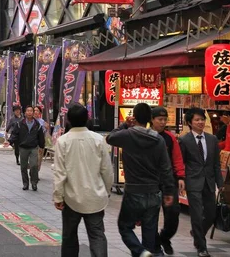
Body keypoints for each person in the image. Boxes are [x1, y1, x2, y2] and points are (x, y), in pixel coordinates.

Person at [106, 103, 175, 257]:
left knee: (124, 226)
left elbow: (110, 138)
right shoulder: (158, 140)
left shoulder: (127, 135)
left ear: (134, 117)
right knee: (150, 232)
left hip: (133, 191)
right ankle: (147, 251)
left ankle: (140, 251)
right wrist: (169, 191)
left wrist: (125, 124)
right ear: (150, 119)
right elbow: (166, 168)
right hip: (153, 192)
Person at [54, 103, 113, 257]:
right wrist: (106, 190)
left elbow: (60, 173)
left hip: (71, 197)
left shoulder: (63, 141)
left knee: (69, 236)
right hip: (95, 196)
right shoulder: (98, 140)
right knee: (97, 235)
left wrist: (58, 196)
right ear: (87, 118)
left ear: (68, 120)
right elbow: (107, 169)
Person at [179, 108, 224, 257]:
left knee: (211, 214)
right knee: (197, 214)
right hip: (193, 182)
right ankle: (202, 247)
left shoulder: (212, 139)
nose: (200, 122)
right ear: (190, 123)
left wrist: (220, 183)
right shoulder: (185, 140)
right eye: (197, 120)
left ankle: (197, 233)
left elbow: (216, 164)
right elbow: (181, 162)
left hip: (209, 182)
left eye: (202, 119)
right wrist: (182, 180)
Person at [150, 107, 185, 256]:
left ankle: (164, 238)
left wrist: (181, 176)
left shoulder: (170, 138)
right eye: (160, 119)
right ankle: (156, 245)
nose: (163, 122)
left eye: (165, 120)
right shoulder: (145, 136)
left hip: (168, 183)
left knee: (173, 215)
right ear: (152, 120)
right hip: (150, 183)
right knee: (151, 216)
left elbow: (177, 158)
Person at [9, 105, 45, 191]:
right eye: (27, 111)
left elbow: (41, 136)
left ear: (33, 113)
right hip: (23, 147)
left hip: (33, 147)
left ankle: (34, 182)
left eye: (31, 111)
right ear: (25, 113)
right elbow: (14, 134)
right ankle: (25, 183)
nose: (29, 112)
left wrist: (41, 146)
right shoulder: (20, 124)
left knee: (34, 166)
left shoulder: (37, 124)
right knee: (23, 167)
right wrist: (9, 141)